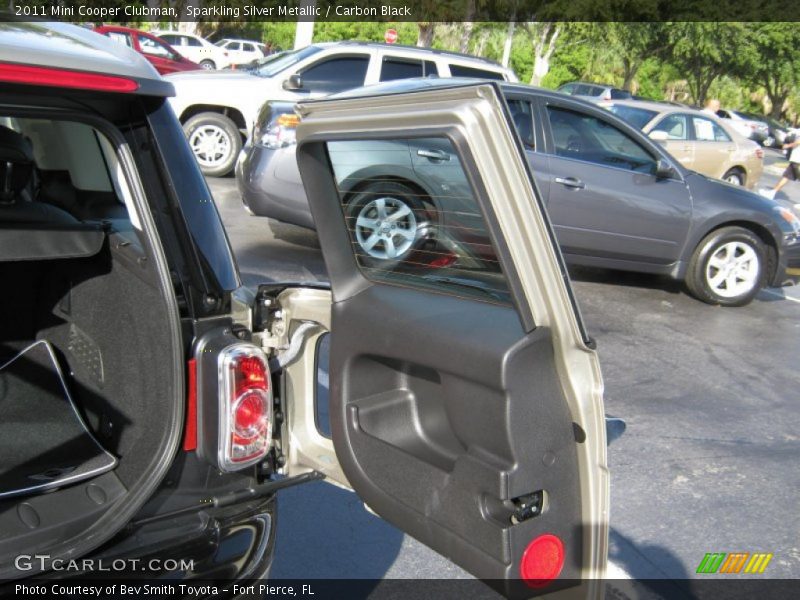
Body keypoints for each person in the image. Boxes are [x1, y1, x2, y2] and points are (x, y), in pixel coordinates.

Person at [760, 135, 800, 200]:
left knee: (786, 176)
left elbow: (798, 142)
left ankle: (772, 193)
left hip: (797, 161)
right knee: (786, 176)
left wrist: (788, 145)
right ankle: (772, 193)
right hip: (796, 160)